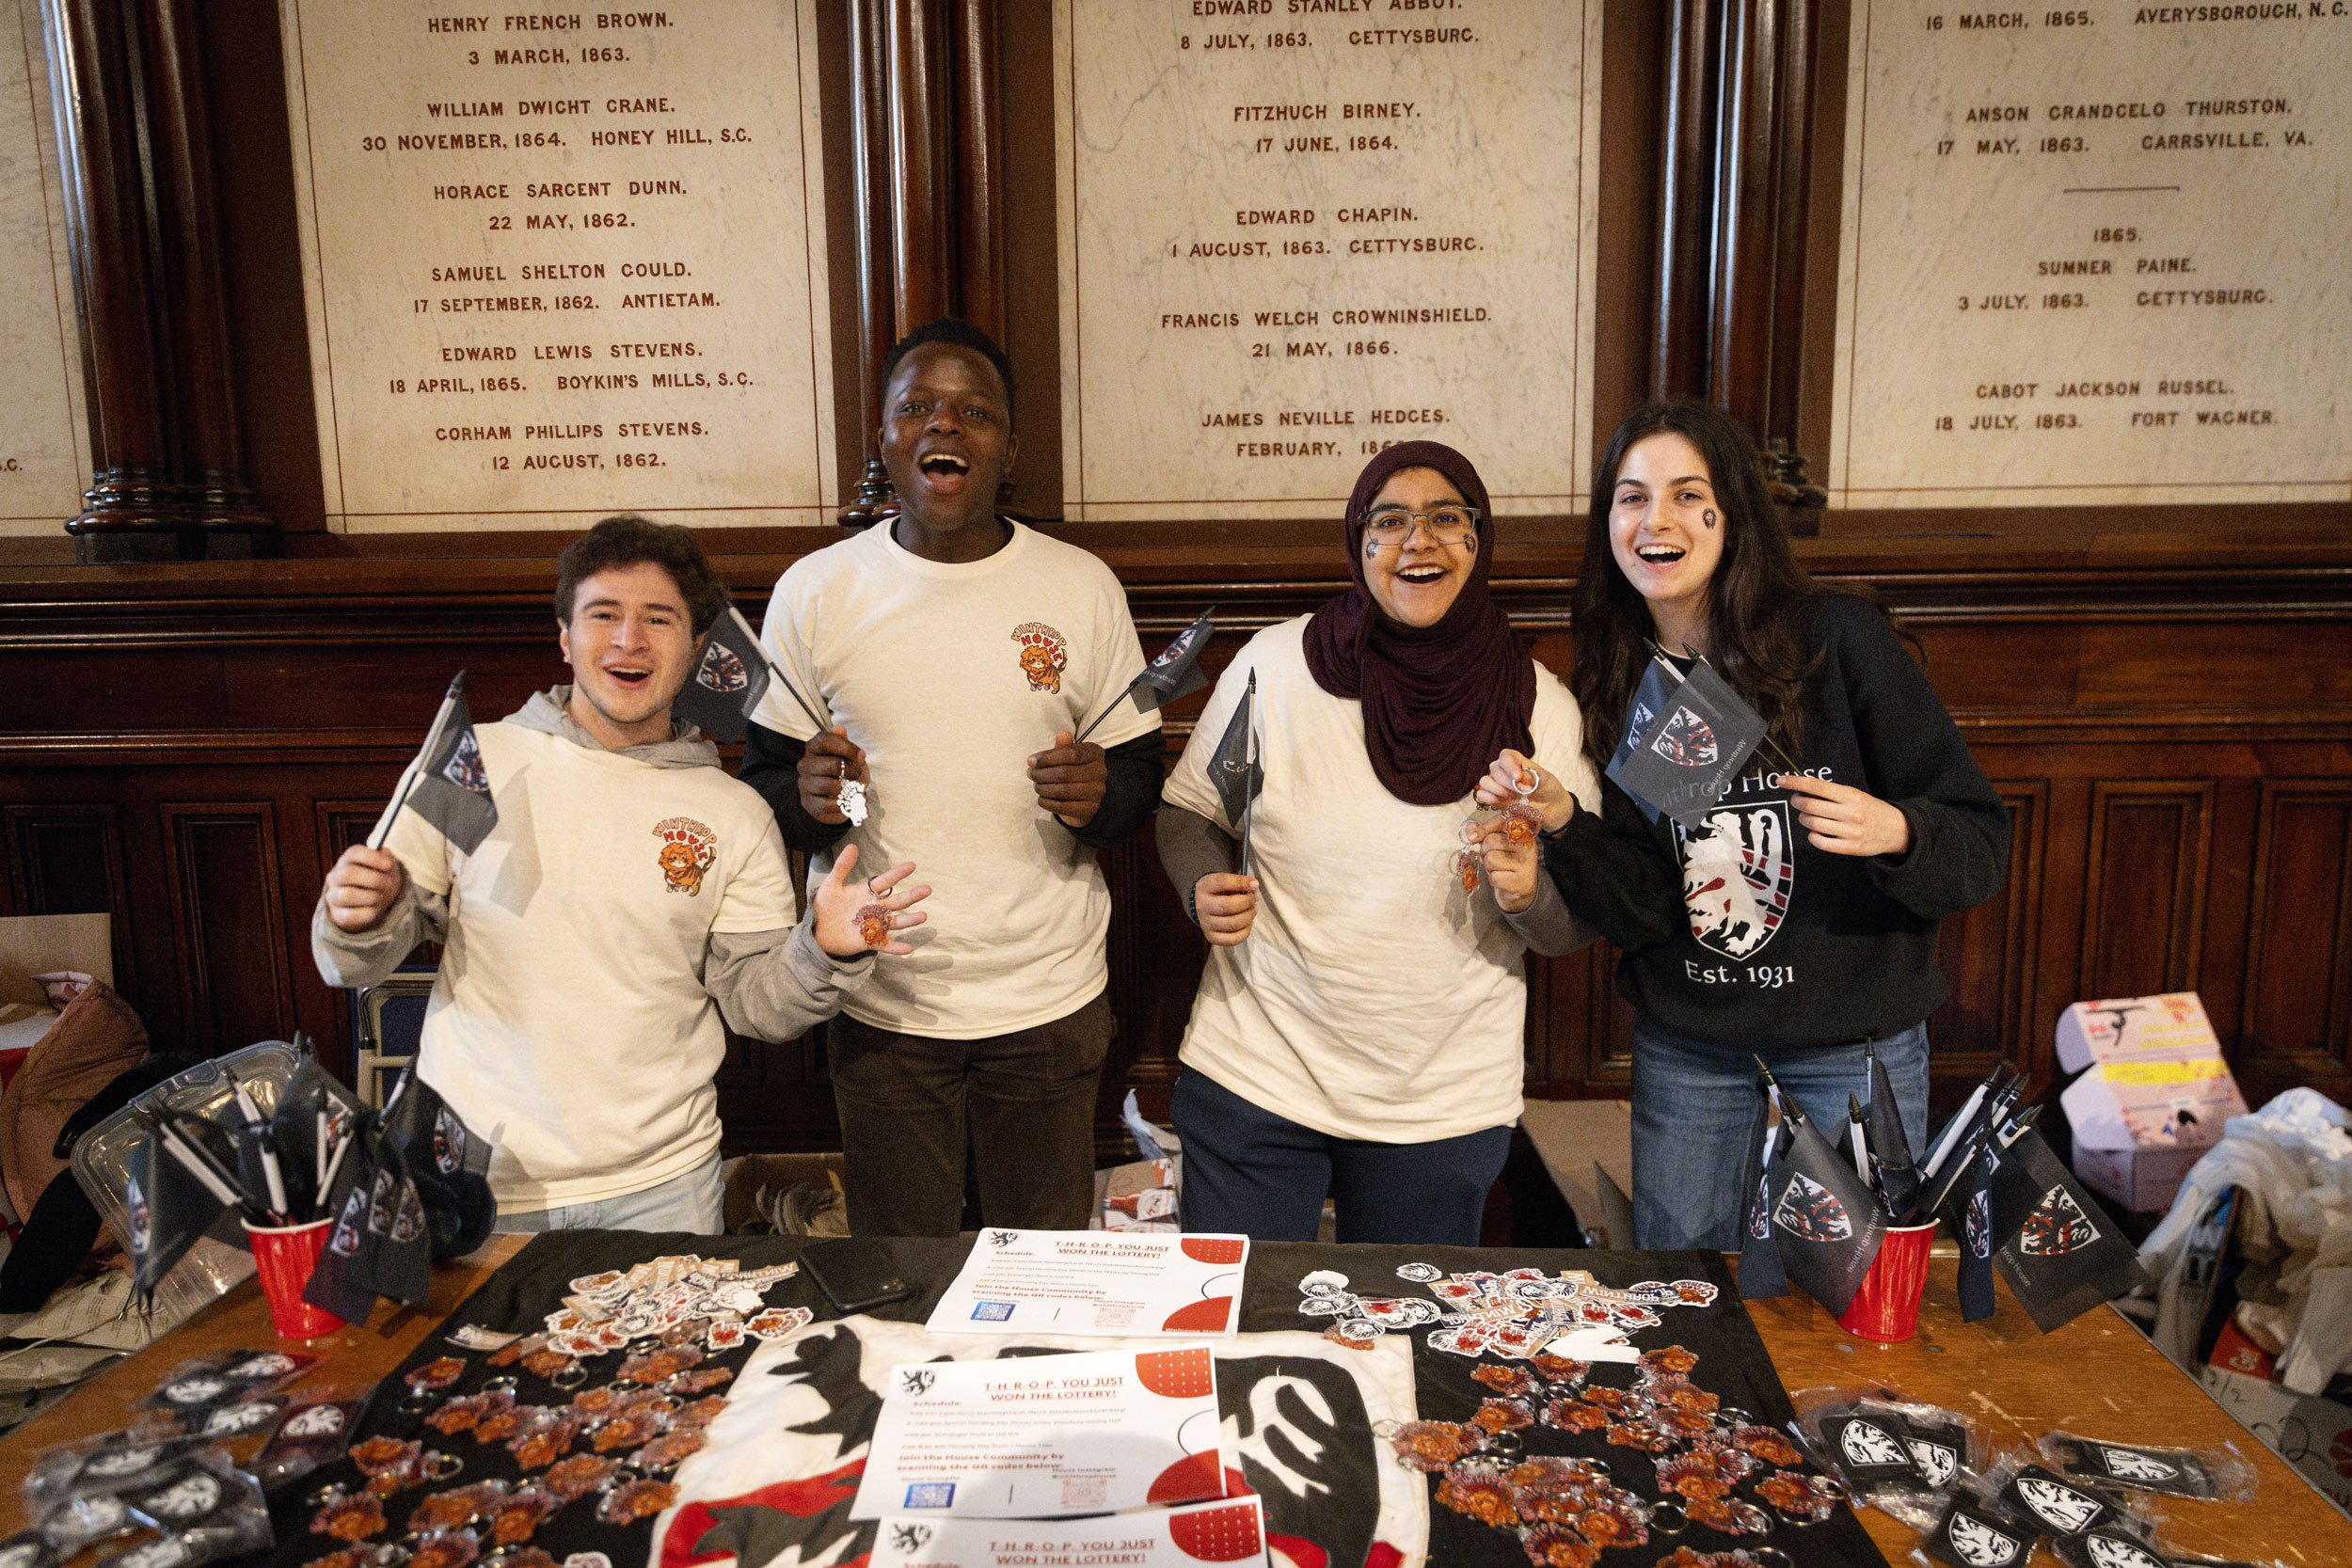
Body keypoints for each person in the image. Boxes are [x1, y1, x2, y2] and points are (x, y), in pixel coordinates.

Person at [313, 516, 929, 1234]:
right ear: (565, 636)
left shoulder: (735, 812)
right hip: (480, 1181)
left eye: (658, 619)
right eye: (603, 615)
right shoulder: (475, 760)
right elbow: (351, 959)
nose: (629, 640)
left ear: (697, 647)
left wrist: (825, 949)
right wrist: (359, 914)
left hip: (665, 1185)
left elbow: (758, 1004)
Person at [1504, 399, 2009, 1249]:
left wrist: (1900, 831)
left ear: (1731, 517)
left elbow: (1980, 844)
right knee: (1690, 1298)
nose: (1654, 520)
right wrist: (1564, 822)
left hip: (1850, 1049)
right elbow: (1648, 908)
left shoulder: (1837, 641)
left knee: (1848, 1314)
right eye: (1630, 498)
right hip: (1693, 1051)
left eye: (1685, 495)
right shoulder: (1620, 684)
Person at [739, 318, 1164, 1237]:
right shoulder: (815, 591)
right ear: (884, 441)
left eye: (973, 410)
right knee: (901, 1272)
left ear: (1008, 450)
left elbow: (1136, 772)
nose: (943, 425)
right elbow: (767, 786)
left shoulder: (1080, 584)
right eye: (916, 407)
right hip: (883, 997)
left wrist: (1103, 798)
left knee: (1042, 1266)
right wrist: (809, 802)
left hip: (1045, 993)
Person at [1155, 441, 1599, 1245]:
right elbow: (1188, 812)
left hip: (1438, 1097)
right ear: (1358, 544)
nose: (1417, 541)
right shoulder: (1277, 668)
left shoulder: (1542, 706)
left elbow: (1571, 924)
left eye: (1445, 519)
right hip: (1260, 1068)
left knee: (1402, 1348)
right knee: (1245, 1323)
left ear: (1480, 540)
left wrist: (1528, 893)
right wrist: (1200, 888)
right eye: (1388, 521)